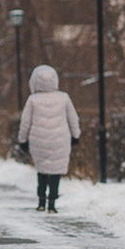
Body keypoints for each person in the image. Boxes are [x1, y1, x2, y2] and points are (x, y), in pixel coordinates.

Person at [18, 65, 81, 213]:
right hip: (60, 139)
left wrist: (22, 140)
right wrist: (75, 135)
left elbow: (25, 121)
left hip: (38, 140)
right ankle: (52, 204)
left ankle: (41, 202)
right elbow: (73, 118)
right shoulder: (64, 97)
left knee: (42, 170)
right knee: (55, 171)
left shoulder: (32, 99)